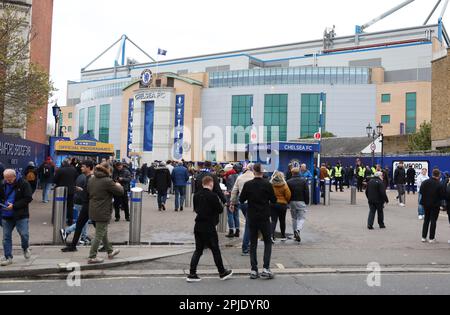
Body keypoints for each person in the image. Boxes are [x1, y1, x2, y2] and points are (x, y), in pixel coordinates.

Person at [186, 176, 233, 283]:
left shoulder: (196, 195)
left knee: (198, 250)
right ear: (211, 184)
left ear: (203, 184)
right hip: (209, 226)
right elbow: (220, 210)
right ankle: (222, 272)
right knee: (215, 250)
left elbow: (196, 209)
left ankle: (192, 273)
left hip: (198, 225)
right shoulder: (212, 196)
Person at [239, 163, 276, 280]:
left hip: (252, 216)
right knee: (267, 242)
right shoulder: (268, 184)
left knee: (253, 243)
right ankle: (266, 268)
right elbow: (274, 200)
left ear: (253, 172)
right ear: (263, 172)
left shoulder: (248, 184)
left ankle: (254, 270)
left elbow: (242, 199)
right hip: (264, 216)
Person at [87, 163, 124, 264]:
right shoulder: (107, 181)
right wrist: (118, 185)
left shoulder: (91, 179)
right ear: (107, 170)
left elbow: (88, 191)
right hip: (103, 210)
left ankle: (110, 251)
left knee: (103, 232)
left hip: (93, 209)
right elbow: (120, 192)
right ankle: (92, 256)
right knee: (99, 234)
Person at [0, 169, 33, 266]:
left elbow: (28, 198)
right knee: (6, 237)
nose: (7, 181)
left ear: (14, 176)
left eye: (9, 179)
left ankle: (25, 247)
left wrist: (14, 206)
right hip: (6, 215)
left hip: (20, 214)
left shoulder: (24, 183)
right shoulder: (2, 184)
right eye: (6, 179)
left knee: (24, 234)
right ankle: (8, 257)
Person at [61, 160, 95, 252]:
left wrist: (81, 191)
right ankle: (73, 246)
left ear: (88, 167)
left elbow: (90, 193)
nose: (81, 168)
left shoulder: (91, 178)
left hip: (89, 205)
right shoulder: (87, 177)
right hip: (86, 205)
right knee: (80, 224)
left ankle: (107, 247)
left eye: (83, 166)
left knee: (97, 225)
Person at [230, 163, 255, 256]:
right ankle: (246, 247)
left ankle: (249, 245)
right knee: (249, 225)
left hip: (243, 204)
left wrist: (232, 203)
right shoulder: (255, 177)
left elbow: (234, 191)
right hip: (253, 204)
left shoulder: (240, 177)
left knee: (250, 223)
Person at [420, 169, 445, 244]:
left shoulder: (425, 182)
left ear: (432, 174)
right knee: (433, 221)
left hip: (425, 203)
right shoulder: (439, 184)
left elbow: (421, 191)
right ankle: (431, 238)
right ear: (439, 175)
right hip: (435, 205)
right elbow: (442, 195)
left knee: (426, 220)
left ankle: (423, 237)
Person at [287, 168, 310, 243]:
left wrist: (288, 201)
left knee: (294, 218)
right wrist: (307, 201)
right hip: (301, 201)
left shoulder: (288, 182)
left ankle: (295, 233)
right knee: (302, 218)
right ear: (299, 172)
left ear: (292, 173)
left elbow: (287, 193)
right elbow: (306, 192)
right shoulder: (303, 181)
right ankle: (298, 230)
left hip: (292, 202)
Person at [54, 159, 78, 225]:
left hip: (61, 190)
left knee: (60, 205)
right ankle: (70, 221)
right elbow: (76, 178)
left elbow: (55, 180)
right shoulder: (73, 169)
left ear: (63, 163)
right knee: (70, 206)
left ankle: (60, 220)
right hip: (71, 190)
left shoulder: (60, 170)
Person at [270, 171, 291, 242]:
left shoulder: (271, 184)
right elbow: (288, 195)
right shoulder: (284, 185)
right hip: (282, 204)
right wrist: (286, 201)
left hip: (273, 204)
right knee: (282, 220)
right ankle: (283, 235)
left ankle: (271, 235)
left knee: (273, 220)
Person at [224, 164, 240, 238]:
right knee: (236, 215)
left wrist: (227, 192)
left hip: (231, 198)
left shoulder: (229, 176)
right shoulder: (237, 176)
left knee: (230, 214)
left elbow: (230, 189)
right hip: (237, 198)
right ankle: (237, 231)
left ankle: (231, 231)